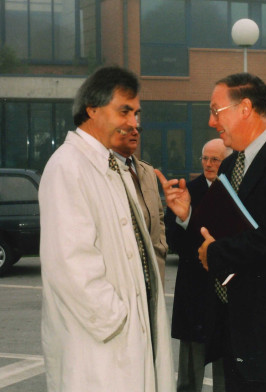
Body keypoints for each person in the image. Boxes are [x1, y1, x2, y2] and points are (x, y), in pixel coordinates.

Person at [156, 73, 266, 392]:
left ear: (245, 108)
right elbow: (216, 235)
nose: (212, 122)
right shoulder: (229, 167)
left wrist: (215, 253)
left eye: (216, 111)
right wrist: (187, 216)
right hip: (238, 339)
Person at [39, 66, 175, 392]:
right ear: (92, 109)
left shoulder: (109, 165)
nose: (133, 122)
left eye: (136, 113)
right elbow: (70, 265)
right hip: (100, 344)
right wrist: (117, 321)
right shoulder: (68, 167)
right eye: (124, 111)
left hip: (125, 338)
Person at [165, 138, 231, 392]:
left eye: (215, 159)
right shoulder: (187, 192)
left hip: (227, 295)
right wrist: (185, 219)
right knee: (190, 376)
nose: (208, 164)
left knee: (227, 373)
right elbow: (174, 242)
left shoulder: (239, 191)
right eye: (205, 158)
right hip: (195, 293)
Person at [112, 125, 168, 287]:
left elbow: (159, 215)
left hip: (154, 268)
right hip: (125, 271)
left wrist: (161, 247)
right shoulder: (105, 172)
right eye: (128, 129)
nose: (135, 133)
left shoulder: (147, 170)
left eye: (138, 129)